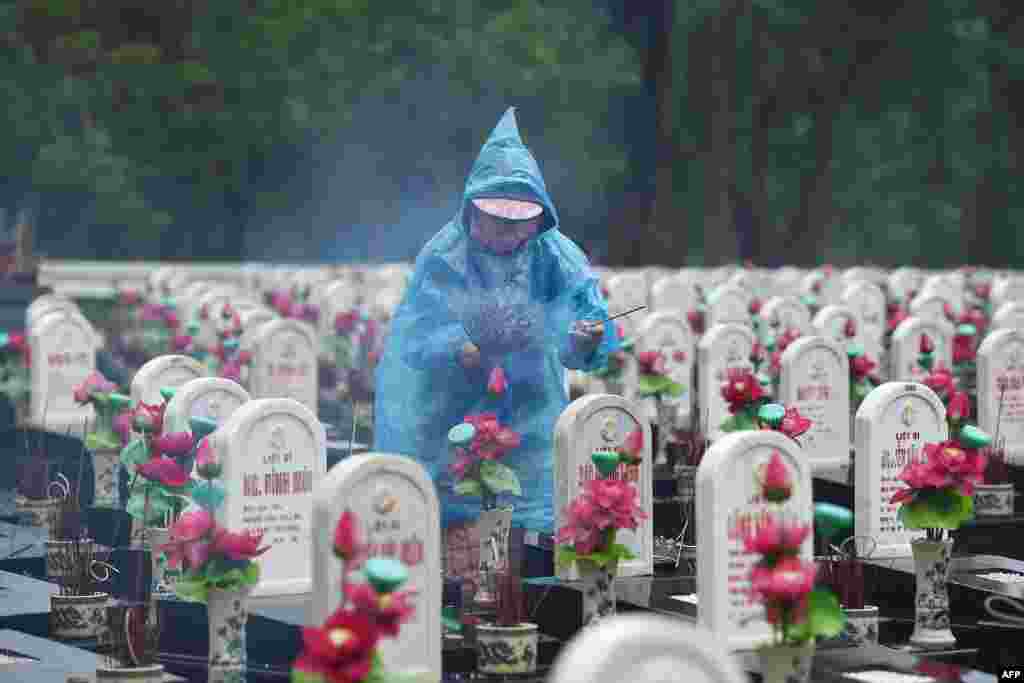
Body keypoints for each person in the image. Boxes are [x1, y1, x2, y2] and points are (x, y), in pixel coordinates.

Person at [373, 108, 618, 584]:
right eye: (496, 222)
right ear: (472, 211)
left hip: (530, 419)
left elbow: (589, 329)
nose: (507, 235)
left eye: (517, 224)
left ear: (539, 219)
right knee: (462, 559)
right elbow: (415, 338)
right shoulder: (444, 257)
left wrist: (586, 337)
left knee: (532, 544)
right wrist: (462, 350)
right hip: (453, 422)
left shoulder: (558, 256)